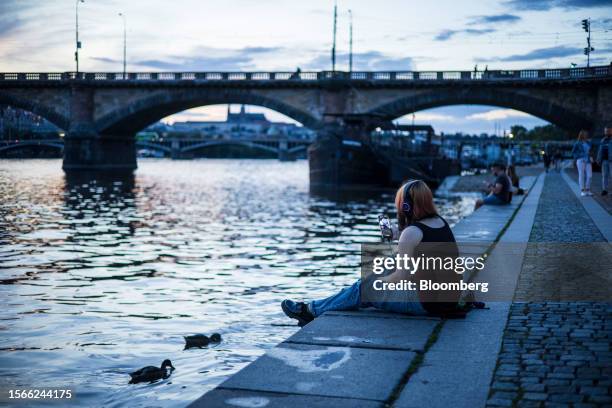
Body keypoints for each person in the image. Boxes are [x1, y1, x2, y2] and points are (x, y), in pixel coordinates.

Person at [280, 180, 461, 326]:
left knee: (364, 287)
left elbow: (402, 276)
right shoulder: (440, 222)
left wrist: (375, 283)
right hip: (448, 299)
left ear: (406, 206)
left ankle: (309, 311)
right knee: (382, 271)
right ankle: (338, 301)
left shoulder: (411, 233)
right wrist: (399, 235)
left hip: (428, 305)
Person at [571, 130, 593, 197]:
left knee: (589, 175)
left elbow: (590, 151)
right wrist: (579, 156)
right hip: (581, 160)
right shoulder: (577, 143)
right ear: (582, 135)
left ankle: (587, 189)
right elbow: (573, 152)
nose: (586, 135)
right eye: (585, 134)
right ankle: (582, 190)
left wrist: (591, 156)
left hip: (588, 160)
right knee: (581, 175)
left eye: (586, 134)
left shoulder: (589, 142)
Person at [596, 126, 611, 196]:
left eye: (608, 131)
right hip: (604, 160)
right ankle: (604, 190)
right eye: (605, 131)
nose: (606, 132)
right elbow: (600, 151)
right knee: (604, 175)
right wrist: (598, 159)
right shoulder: (603, 140)